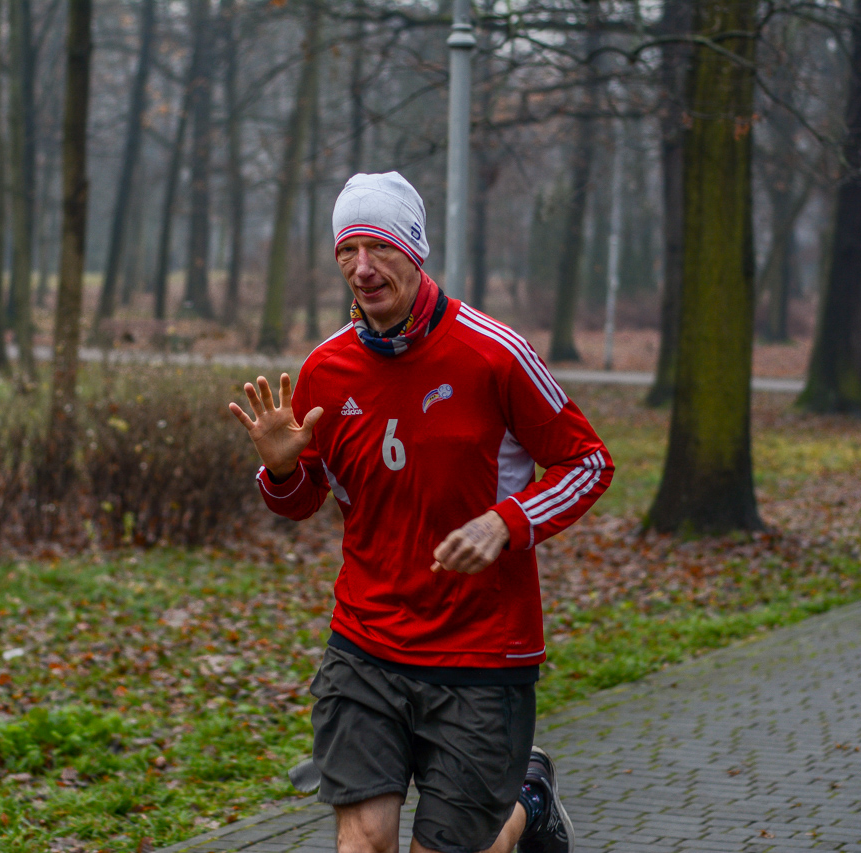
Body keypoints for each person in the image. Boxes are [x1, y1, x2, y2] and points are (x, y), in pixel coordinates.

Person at [230, 172, 612, 853]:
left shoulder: (495, 354)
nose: (363, 268)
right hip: (366, 643)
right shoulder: (326, 369)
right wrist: (284, 468)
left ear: (416, 249)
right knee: (365, 842)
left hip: (481, 651)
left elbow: (588, 463)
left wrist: (507, 522)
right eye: (348, 250)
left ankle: (527, 802)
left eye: (380, 248)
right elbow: (302, 500)